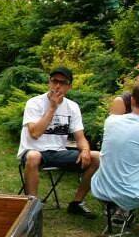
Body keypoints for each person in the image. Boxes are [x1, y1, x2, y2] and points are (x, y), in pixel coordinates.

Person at [18, 65, 100, 218]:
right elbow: (35, 133)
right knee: (34, 156)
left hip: (58, 152)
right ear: (49, 82)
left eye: (62, 83)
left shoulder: (72, 107)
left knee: (97, 157)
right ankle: (31, 207)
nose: (57, 86)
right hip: (33, 151)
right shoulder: (34, 103)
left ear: (69, 86)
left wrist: (85, 150)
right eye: (54, 81)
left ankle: (76, 203)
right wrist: (52, 108)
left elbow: (80, 137)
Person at [92, 82, 139, 237]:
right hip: (132, 195)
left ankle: (122, 212)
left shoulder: (111, 121)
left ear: (132, 100)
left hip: (101, 189)